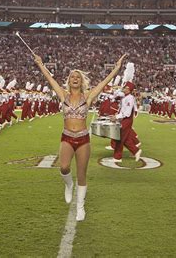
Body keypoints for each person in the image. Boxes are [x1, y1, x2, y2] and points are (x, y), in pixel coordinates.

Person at [34, 52, 126, 222]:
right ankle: (69, 185)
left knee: (82, 174)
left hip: (83, 138)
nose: (75, 78)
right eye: (72, 77)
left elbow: (104, 82)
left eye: (78, 77)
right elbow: (49, 78)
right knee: (63, 167)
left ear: (81, 81)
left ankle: (80, 207)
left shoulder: (88, 96)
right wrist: (40, 64)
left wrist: (117, 68)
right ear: (69, 81)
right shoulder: (63, 95)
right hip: (67, 137)